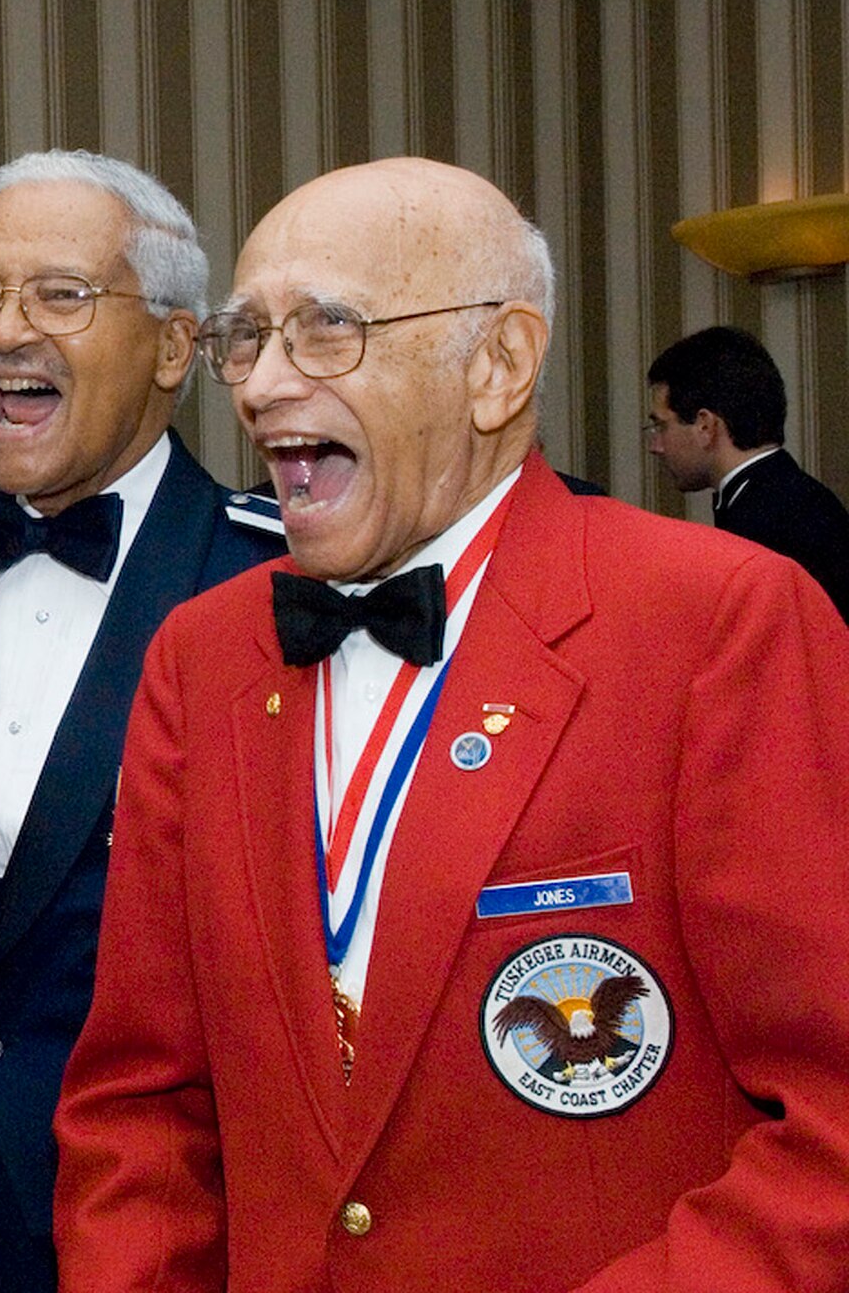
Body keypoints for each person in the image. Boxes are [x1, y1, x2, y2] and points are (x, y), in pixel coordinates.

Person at [53, 158, 849, 1291]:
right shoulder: (200, 657)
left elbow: (830, 1129)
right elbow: (138, 1108)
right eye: (247, 335)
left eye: (325, 327)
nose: (263, 383)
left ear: (497, 365)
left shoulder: (718, 625)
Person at [0, 150, 281, 1293]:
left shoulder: (268, 592)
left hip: (161, 1222)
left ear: (169, 346)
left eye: (60, 293)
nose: (6, 330)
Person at [646, 324, 849, 620]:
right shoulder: (792, 499)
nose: (656, 445)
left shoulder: (769, 523)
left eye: (662, 425)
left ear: (705, 425)